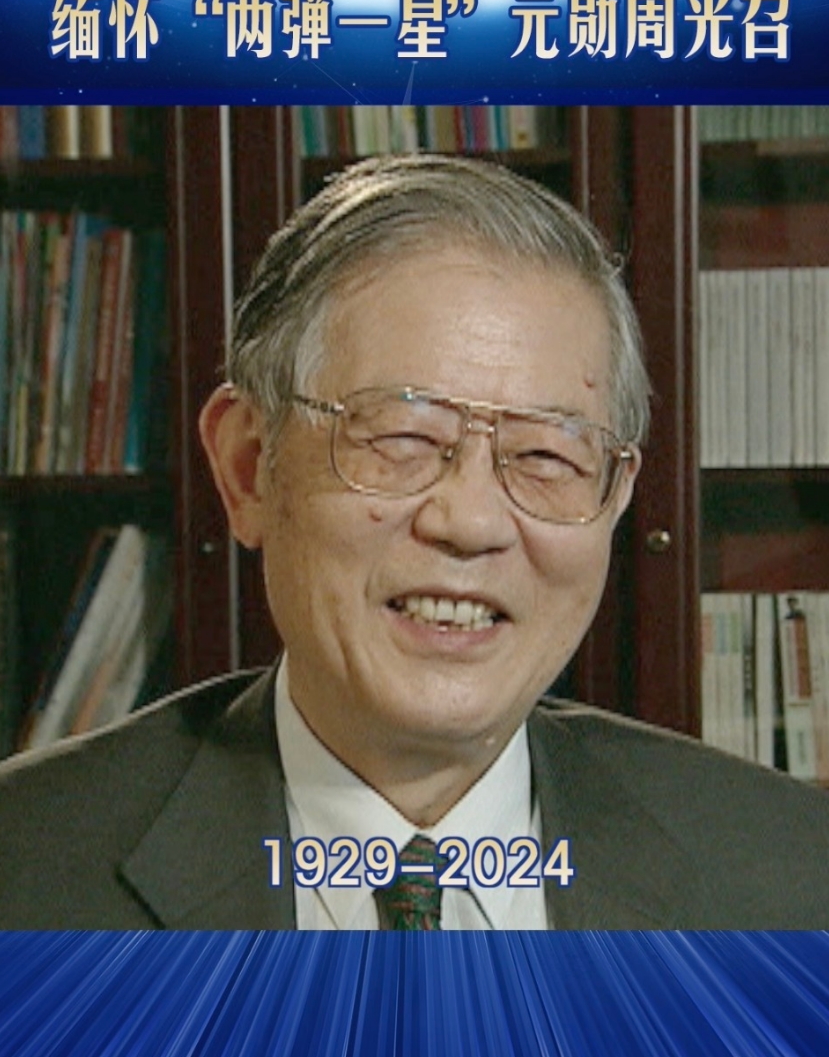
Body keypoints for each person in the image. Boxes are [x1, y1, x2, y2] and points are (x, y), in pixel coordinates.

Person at [1, 153, 828, 929]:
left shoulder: (790, 878)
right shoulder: (29, 871)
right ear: (249, 468)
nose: (469, 523)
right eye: (399, 436)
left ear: (615, 498)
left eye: (545, 456)